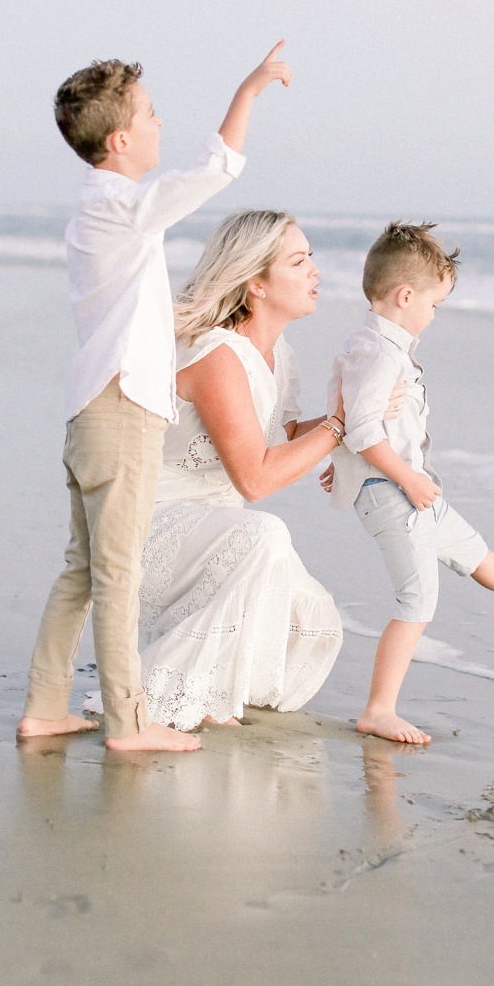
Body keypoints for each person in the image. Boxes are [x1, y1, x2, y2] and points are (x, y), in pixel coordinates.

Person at [16, 42, 291, 754]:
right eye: (151, 113)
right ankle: (129, 722)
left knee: (83, 569)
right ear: (120, 140)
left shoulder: (95, 212)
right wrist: (250, 89)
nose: (161, 124)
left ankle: (46, 707)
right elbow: (216, 169)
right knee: (117, 572)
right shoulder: (124, 208)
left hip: (90, 411)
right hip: (122, 411)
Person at [326, 220, 494, 746]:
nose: (433, 315)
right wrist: (402, 476)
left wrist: (356, 465)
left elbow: (358, 423)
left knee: (473, 551)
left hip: (403, 484)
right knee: (417, 600)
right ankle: (379, 709)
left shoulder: (379, 345)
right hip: (393, 490)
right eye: (434, 304)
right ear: (406, 295)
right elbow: (358, 427)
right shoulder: (378, 352)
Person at [127, 209, 348, 732]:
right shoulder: (217, 355)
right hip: (151, 528)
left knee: (312, 618)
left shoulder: (278, 354)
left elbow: (284, 437)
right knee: (266, 533)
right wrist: (338, 427)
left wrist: (354, 426)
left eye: (311, 257)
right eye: (298, 262)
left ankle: (210, 684)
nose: (315, 270)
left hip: (216, 530)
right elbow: (255, 477)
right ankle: (163, 694)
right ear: (256, 285)